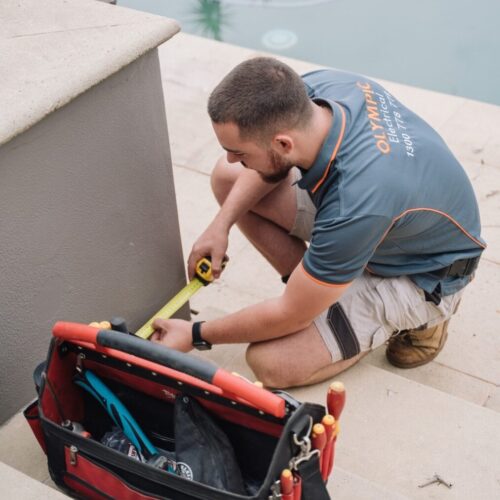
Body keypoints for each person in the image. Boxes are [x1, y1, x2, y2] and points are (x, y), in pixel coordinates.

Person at [151, 57, 485, 389]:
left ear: (283, 143)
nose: (231, 158)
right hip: (386, 223)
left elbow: (288, 314)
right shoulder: (321, 90)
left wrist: (196, 334)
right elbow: (272, 166)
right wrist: (219, 226)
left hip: (424, 273)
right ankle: (322, 289)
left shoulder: (356, 200)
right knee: (228, 179)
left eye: (239, 151)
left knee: (273, 364)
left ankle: (412, 315)